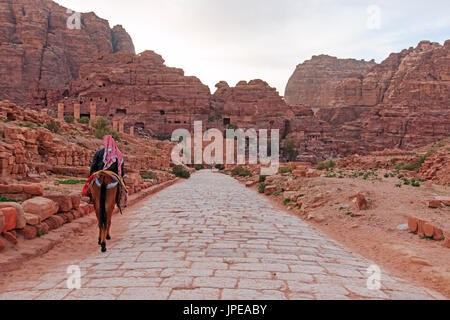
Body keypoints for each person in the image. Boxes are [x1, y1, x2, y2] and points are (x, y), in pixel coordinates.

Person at [87, 135, 126, 206]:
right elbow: (121, 168)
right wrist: (121, 176)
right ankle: (121, 201)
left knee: (89, 185)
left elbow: (93, 166)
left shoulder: (98, 152)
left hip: (99, 173)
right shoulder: (118, 154)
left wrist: (91, 175)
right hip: (113, 175)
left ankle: (91, 198)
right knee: (123, 187)